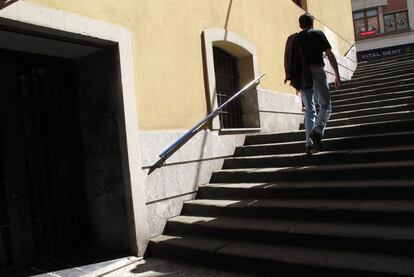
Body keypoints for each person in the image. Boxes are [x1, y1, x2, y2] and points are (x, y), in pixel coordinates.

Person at [285, 13, 341, 155]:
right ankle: (316, 132)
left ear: (300, 25)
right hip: (316, 71)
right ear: (312, 23)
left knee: (309, 109)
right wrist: (337, 75)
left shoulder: (296, 38)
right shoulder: (318, 34)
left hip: (302, 75)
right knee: (326, 106)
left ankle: (309, 145)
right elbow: (329, 54)